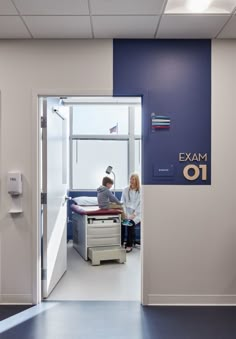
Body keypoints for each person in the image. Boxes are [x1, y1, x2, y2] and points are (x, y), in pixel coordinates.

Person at [121, 173, 141, 253]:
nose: (131, 181)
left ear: (137, 181)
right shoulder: (125, 190)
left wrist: (134, 214)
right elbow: (123, 203)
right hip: (127, 213)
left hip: (137, 214)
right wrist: (125, 214)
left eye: (133, 179)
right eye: (130, 179)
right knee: (122, 223)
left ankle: (129, 245)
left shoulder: (141, 191)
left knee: (130, 223)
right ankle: (121, 243)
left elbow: (141, 204)